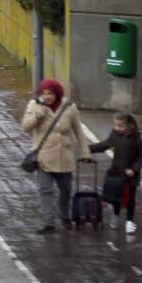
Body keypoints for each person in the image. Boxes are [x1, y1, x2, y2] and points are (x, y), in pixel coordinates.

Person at [21, 79, 90, 233]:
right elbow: (25, 127)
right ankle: (48, 222)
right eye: (44, 93)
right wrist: (37, 116)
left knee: (65, 189)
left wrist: (85, 152)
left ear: (57, 94)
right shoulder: (34, 105)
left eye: (50, 93)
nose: (47, 97)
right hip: (44, 156)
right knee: (45, 190)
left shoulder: (69, 107)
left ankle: (64, 216)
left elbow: (79, 131)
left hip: (64, 156)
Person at [88, 112, 142, 234]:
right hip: (117, 172)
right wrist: (88, 149)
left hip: (131, 176)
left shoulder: (137, 139)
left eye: (120, 126)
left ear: (130, 126)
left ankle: (129, 221)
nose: (117, 128)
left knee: (130, 198)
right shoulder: (114, 135)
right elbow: (104, 145)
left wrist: (134, 169)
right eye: (115, 125)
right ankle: (115, 215)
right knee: (116, 198)